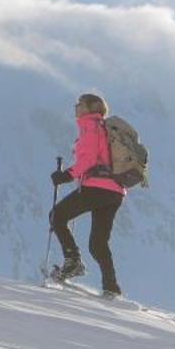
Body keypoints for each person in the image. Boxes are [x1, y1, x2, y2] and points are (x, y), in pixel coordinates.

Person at [48, 93, 126, 296]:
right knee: (98, 243)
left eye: (79, 104)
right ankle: (111, 286)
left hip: (96, 187)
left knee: (57, 216)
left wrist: (66, 175)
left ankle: (72, 261)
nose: (76, 107)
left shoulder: (90, 127)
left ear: (90, 108)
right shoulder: (103, 128)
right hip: (114, 192)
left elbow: (89, 159)